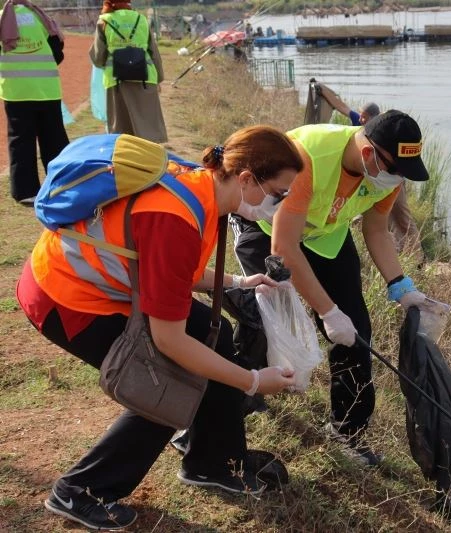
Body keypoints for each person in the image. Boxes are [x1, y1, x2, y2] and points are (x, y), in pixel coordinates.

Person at [16, 125, 304, 530]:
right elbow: (169, 341)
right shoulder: (178, 217)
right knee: (166, 381)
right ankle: (81, 490)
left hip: (105, 286)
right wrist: (252, 381)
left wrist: (239, 282)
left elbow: (169, 268)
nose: (279, 204)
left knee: (211, 335)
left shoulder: (204, 189)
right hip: (64, 299)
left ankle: (215, 462)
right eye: (278, 193)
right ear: (245, 179)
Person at [231, 111, 448, 466]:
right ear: (368, 155)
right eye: (395, 172)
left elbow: (376, 230)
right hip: (266, 226)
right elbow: (284, 250)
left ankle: (348, 432)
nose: (398, 181)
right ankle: (224, 409)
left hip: (324, 235)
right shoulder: (308, 160)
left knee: (356, 331)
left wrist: (401, 285)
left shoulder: (388, 176)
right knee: (264, 322)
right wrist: (327, 311)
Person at [317, 85, 423, 260]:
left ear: (372, 117)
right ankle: (388, 252)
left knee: (401, 217)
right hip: (368, 179)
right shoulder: (359, 125)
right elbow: (340, 105)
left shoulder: (385, 132)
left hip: (389, 175)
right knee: (374, 219)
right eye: (360, 116)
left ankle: (416, 258)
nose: (361, 119)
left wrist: (394, 174)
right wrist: (322, 90)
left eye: (364, 116)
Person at [0, 0, 69, 206]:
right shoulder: (41, 17)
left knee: (20, 141)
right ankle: (61, 184)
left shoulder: (2, 17)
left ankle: (25, 191)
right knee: (54, 139)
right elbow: (57, 51)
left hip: (16, 91)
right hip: (47, 89)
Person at [89, 0, 167, 143]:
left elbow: (98, 57)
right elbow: (154, 52)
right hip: (145, 78)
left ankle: (126, 161)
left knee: (120, 129)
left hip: (116, 80)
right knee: (148, 127)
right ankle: (149, 160)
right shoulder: (141, 19)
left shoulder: (104, 21)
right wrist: (159, 79)